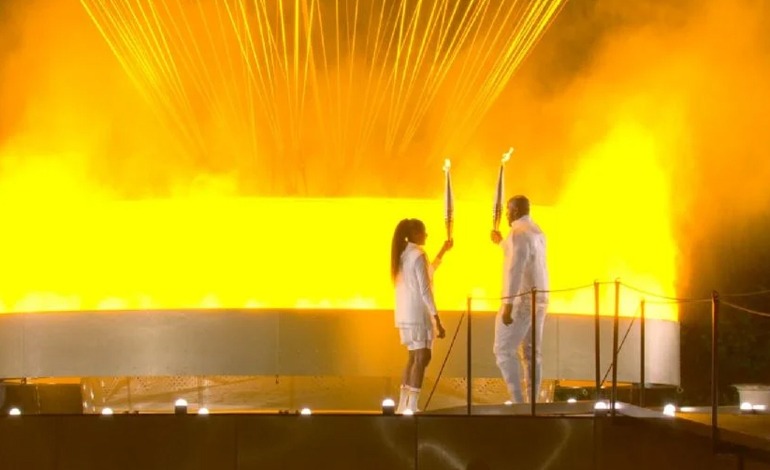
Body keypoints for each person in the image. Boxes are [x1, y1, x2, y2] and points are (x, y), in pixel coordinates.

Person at [490, 195, 549, 404]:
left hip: (521, 300)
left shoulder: (517, 233)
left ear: (514, 211)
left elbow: (515, 269)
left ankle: (518, 402)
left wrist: (507, 304)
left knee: (503, 350)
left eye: (507, 210)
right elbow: (524, 256)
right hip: (541, 298)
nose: (505, 214)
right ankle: (532, 403)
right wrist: (502, 244)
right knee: (532, 353)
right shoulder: (537, 231)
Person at [391, 218, 453, 413]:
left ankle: (403, 404)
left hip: (405, 315)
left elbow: (428, 273)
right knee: (422, 357)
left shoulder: (403, 255)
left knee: (413, 358)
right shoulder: (418, 255)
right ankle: (412, 405)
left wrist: (443, 251)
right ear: (416, 234)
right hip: (418, 315)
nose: (427, 235)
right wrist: (437, 319)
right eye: (424, 231)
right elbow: (426, 289)